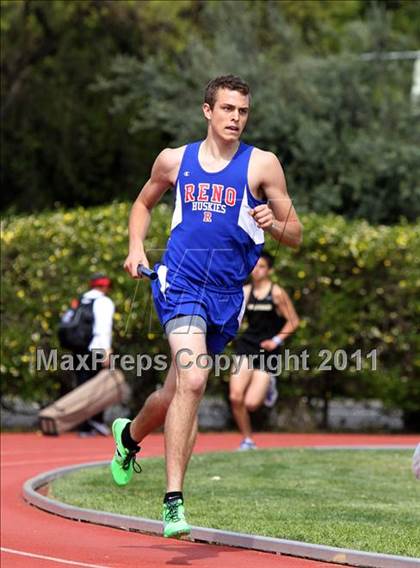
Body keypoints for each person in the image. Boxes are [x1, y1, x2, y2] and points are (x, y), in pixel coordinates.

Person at [111, 75, 302, 538]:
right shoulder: (175, 160)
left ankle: (129, 437)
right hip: (180, 283)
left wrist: (272, 223)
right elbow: (143, 203)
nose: (236, 118)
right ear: (207, 111)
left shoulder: (263, 165)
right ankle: (173, 502)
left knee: (175, 393)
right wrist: (137, 247)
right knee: (195, 380)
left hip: (226, 296)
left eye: (243, 111)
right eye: (228, 109)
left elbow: (295, 234)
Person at [229, 251, 300, 451]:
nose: (257, 270)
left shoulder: (276, 293)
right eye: (255, 266)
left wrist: (276, 340)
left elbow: (293, 321)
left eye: (262, 267)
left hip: (268, 350)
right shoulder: (244, 292)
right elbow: (236, 319)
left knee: (251, 403)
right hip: (247, 346)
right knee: (236, 397)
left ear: (269, 270)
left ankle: (269, 385)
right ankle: (247, 440)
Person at [73, 273, 115, 436]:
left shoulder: (81, 299)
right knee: (99, 387)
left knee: (82, 386)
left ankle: (84, 425)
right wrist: (106, 350)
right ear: (105, 286)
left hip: (79, 348)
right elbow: (102, 328)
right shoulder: (104, 302)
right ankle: (96, 421)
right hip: (96, 348)